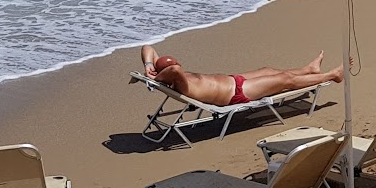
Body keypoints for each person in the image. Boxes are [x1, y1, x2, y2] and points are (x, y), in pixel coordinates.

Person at [138, 44, 342, 106]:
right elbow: (174, 70)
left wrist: (149, 64)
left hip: (234, 80)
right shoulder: (180, 82)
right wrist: (157, 77)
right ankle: (332, 75)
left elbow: (148, 47)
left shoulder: (171, 75)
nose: (178, 64)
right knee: (283, 80)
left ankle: (309, 70)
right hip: (236, 94)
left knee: (269, 70)